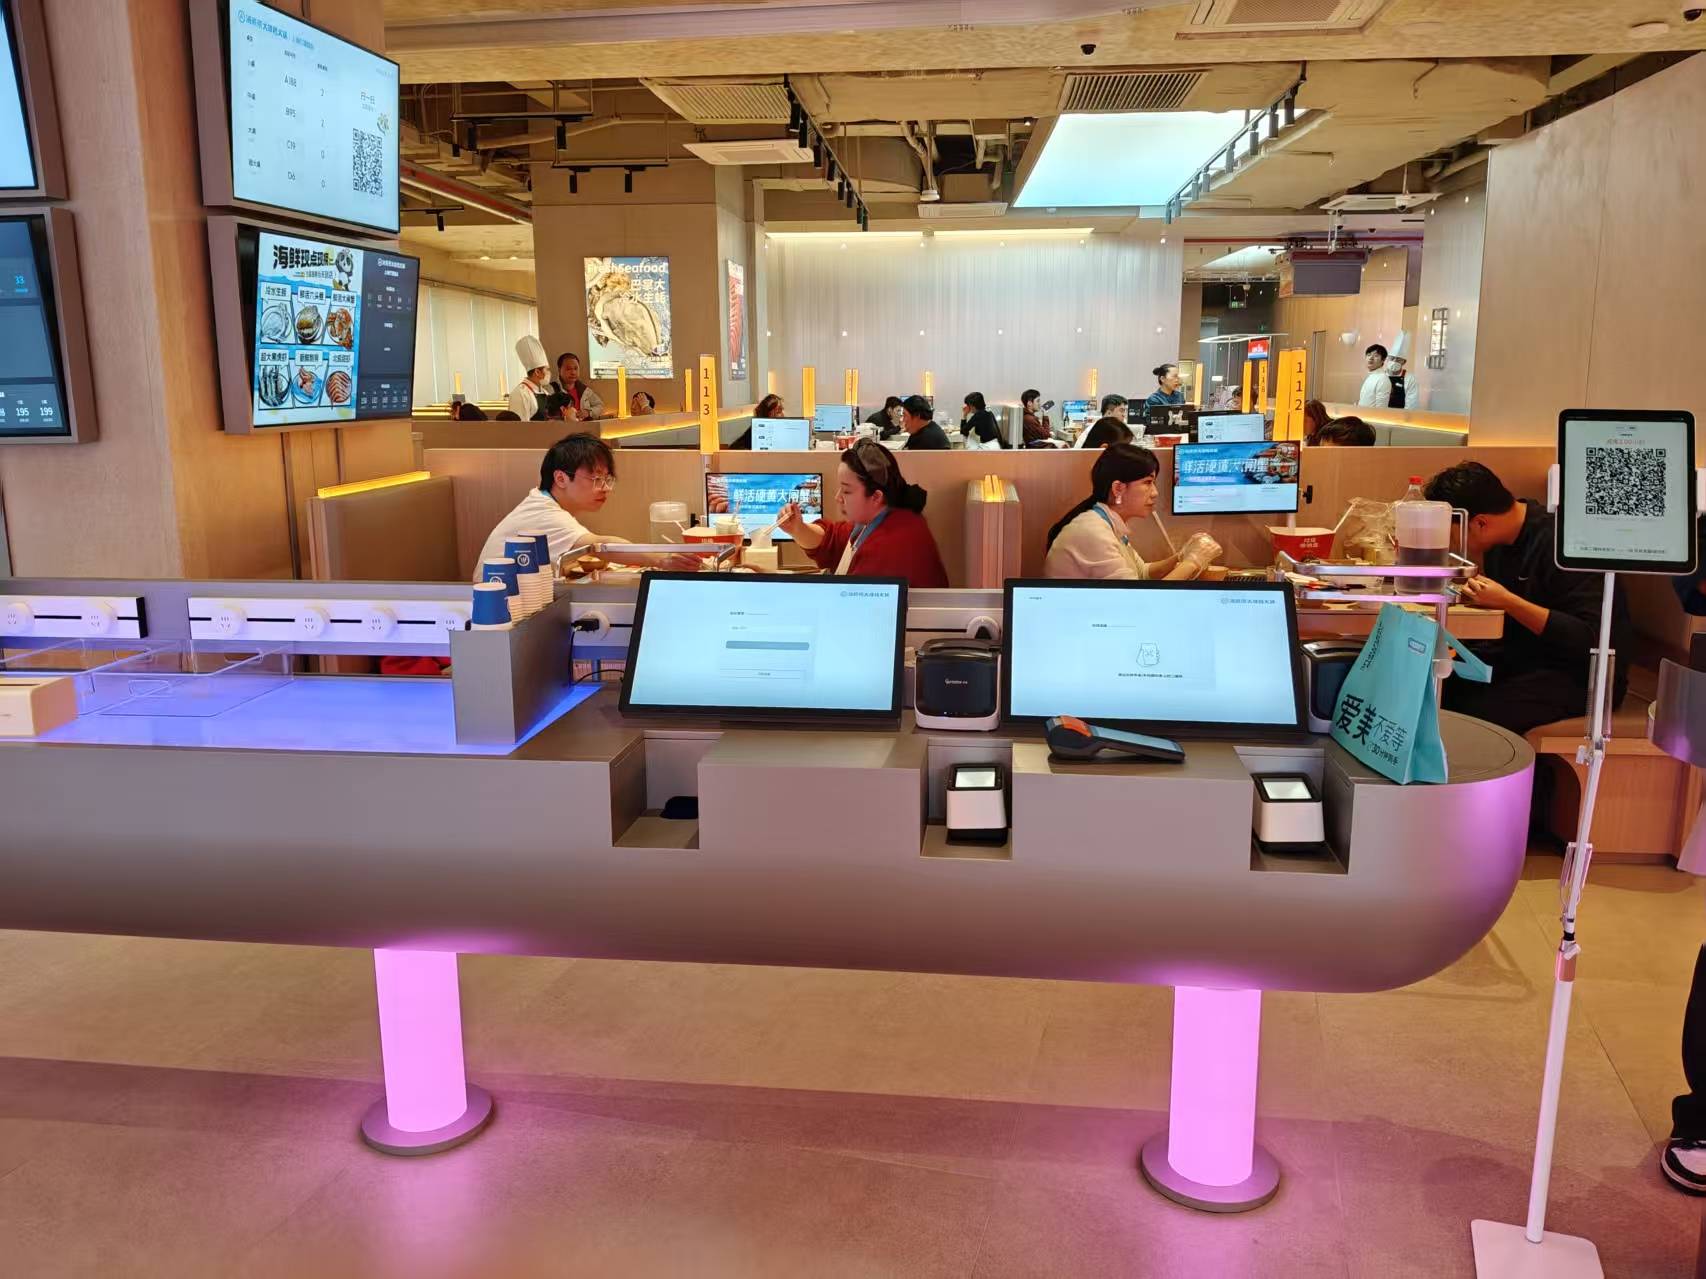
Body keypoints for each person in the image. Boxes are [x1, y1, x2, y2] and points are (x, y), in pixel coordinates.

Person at [1423, 461, 1632, 735]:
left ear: (1480, 522)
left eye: (1452, 534)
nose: (1451, 543)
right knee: (1434, 685)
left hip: (1584, 677)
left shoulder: (1565, 545)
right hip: (1527, 658)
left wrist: (1508, 602)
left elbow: (1588, 638)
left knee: (1475, 712)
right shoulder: (1500, 544)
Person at [777, 440, 949, 588]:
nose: (838, 498)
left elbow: (850, 603)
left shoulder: (887, 548)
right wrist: (798, 528)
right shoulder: (888, 517)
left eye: (846, 491)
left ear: (876, 497)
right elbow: (835, 539)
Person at [1044, 443, 1222, 581]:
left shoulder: (1107, 523)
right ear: (1118, 488)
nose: (1155, 493)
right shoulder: (1092, 532)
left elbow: (1141, 572)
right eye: (1147, 482)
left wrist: (1181, 556)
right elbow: (1138, 600)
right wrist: (1193, 562)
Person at [475, 433, 624, 576]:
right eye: (597, 479)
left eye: (607, 479)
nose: (606, 488)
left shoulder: (542, 501)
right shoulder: (545, 514)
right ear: (561, 479)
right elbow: (600, 547)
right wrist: (641, 556)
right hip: (500, 592)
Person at [507, 335, 554, 421]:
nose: (549, 373)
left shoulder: (545, 392)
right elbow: (519, 426)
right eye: (546, 369)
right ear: (537, 372)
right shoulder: (520, 394)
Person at [550, 352, 605, 422]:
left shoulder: (585, 390)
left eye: (576, 369)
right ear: (559, 370)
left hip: (583, 427)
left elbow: (600, 406)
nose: (573, 372)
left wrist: (588, 412)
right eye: (568, 369)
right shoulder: (550, 389)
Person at [1357, 344, 1390, 409]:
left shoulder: (1383, 379)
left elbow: (1381, 409)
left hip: (1371, 415)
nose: (1371, 358)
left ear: (1383, 360)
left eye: (1376, 355)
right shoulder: (1370, 376)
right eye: (1369, 355)